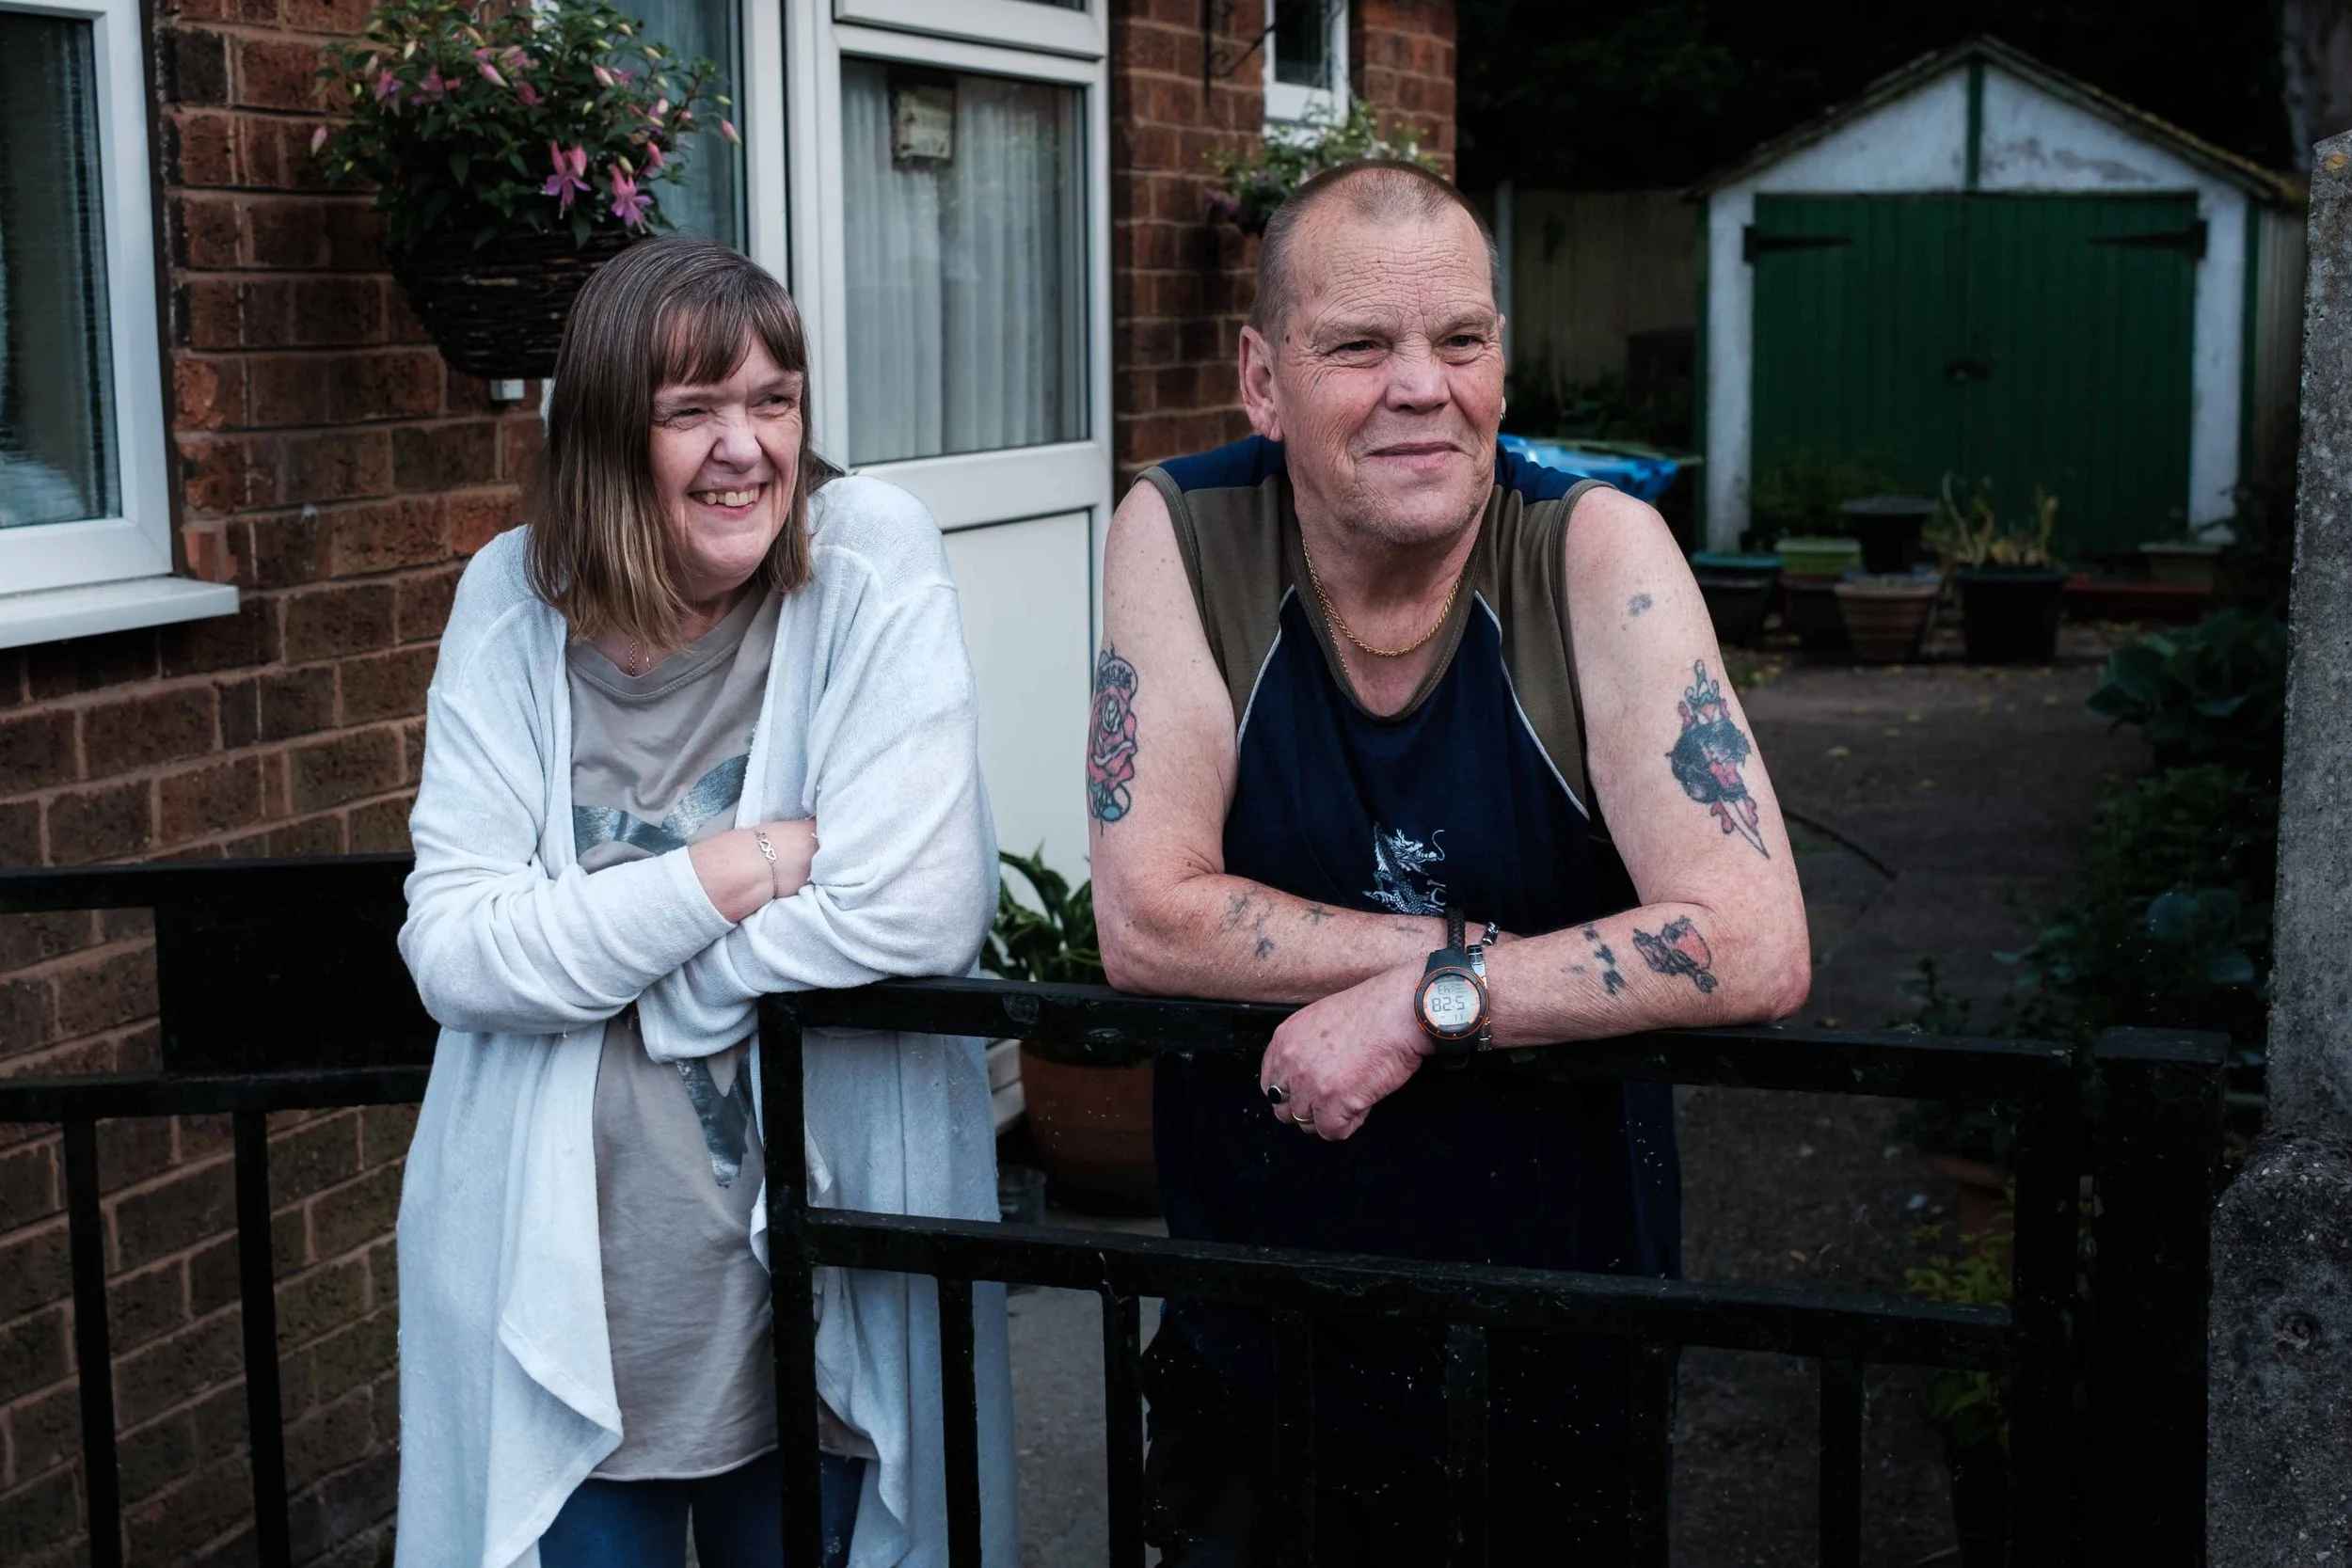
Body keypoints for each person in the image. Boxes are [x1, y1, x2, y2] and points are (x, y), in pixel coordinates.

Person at [1089, 162, 1812, 1562]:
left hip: (1559, 1346)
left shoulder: (1595, 552)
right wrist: (1448, 965)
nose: (1423, 384)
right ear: (1261, 379)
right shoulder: (1184, 535)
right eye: (1359, 345)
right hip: (1262, 1343)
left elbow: (1755, 935)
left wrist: (1428, 1009)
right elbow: (1149, 916)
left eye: (1461, 340)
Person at [392, 237, 1017, 1568]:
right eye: (694, 412)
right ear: (612, 437)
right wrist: (737, 870)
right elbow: (454, 949)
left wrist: (660, 971)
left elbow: (919, 910)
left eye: (774, 400)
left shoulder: (864, 559)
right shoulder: (510, 601)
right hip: (573, 1303)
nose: (748, 449)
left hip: (819, 1289)